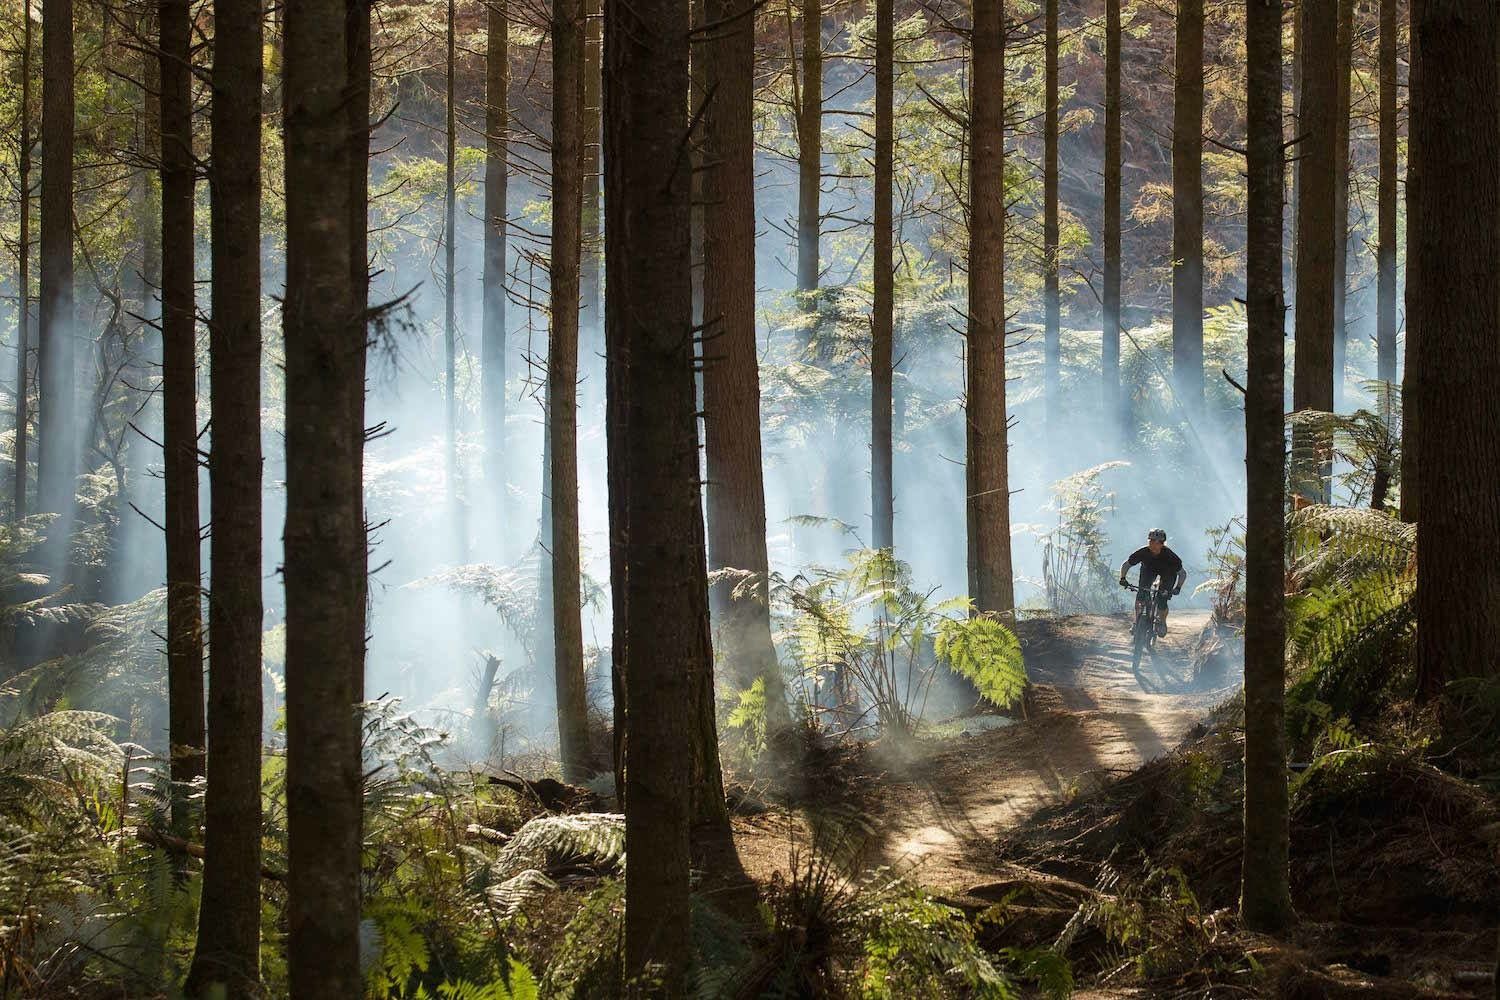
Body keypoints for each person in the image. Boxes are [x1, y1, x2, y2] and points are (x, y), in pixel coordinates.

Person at [1118, 529, 1186, 636]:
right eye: (1151, 541)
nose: (1153, 544)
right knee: (1141, 593)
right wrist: (1122, 578)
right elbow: (1127, 564)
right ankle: (1136, 622)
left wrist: (1178, 587)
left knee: (1162, 599)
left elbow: (1182, 573)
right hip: (1148, 571)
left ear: (1162, 544)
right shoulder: (1143, 552)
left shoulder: (1171, 556)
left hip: (1168, 574)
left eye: (1156, 542)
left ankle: (1161, 622)